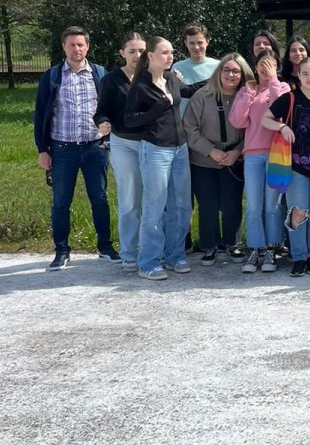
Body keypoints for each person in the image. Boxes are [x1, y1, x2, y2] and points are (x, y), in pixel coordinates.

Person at [34, 25, 119, 271]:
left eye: (80, 44)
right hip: (62, 149)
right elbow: (40, 115)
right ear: (64, 47)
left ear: (87, 47)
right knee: (61, 201)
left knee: (100, 198)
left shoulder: (100, 74)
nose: (76, 49)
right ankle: (61, 251)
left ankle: (105, 247)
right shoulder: (52, 77)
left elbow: (112, 107)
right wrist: (43, 149)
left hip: (95, 148)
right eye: (71, 44)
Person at [124, 36, 193, 281]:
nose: (170, 56)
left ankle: (175, 256)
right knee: (155, 207)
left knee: (182, 205)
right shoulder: (140, 85)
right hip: (156, 150)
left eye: (171, 52)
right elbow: (129, 119)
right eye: (164, 52)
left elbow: (190, 90)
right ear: (150, 56)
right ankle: (148, 262)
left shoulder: (172, 80)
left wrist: (223, 77)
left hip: (180, 149)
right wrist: (155, 110)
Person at [262, 55, 310, 276]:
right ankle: (299, 257)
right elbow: (266, 119)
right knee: (298, 211)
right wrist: (282, 128)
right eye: (305, 73)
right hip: (295, 166)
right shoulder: (289, 98)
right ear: (298, 75)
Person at [229, 49, 292, 273]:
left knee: (272, 205)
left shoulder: (283, 88)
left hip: (276, 153)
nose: (265, 69)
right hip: (253, 153)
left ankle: (271, 249)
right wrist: (247, 94)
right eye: (262, 65)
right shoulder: (248, 91)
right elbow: (237, 121)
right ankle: (255, 249)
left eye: (270, 65)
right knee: (254, 204)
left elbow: (280, 111)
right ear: (254, 68)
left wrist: (273, 79)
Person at [183, 53, 249, 265]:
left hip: (234, 159)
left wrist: (238, 151)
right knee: (207, 205)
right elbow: (190, 128)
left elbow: (253, 130)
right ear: (219, 72)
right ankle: (209, 245)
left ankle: (232, 244)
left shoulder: (246, 97)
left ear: (242, 74)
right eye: (226, 70)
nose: (231, 75)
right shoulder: (203, 96)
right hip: (204, 159)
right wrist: (210, 150)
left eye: (236, 71)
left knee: (232, 203)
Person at [93, 32, 146, 272]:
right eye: (132, 51)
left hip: (153, 145)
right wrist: (103, 123)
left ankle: (152, 249)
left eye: (142, 51)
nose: (138, 55)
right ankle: (128, 252)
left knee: (155, 200)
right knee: (130, 199)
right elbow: (101, 111)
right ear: (122, 53)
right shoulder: (112, 80)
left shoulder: (154, 76)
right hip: (124, 143)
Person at [172, 22, 220, 116]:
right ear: (186, 43)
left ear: (207, 41)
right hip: (184, 121)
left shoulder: (218, 66)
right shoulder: (177, 68)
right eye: (192, 43)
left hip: (211, 120)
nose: (196, 47)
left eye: (200, 42)